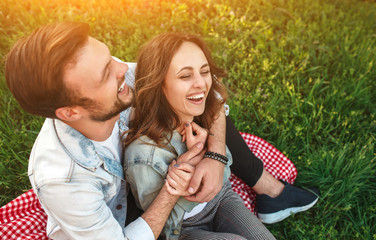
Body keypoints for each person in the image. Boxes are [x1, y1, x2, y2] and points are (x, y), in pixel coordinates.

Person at [4, 21, 318, 239]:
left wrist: (216, 155)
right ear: (71, 112)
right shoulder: (65, 180)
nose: (123, 69)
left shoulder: (121, 80)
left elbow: (209, 93)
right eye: (105, 73)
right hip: (143, 222)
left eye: (109, 56)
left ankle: (267, 190)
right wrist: (171, 190)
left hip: (180, 192)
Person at [123, 33, 275, 239]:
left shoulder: (202, 114)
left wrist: (210, 153)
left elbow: (223, 173)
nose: (201, 84)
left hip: (221, 200)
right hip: (182, 229)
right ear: (158, 84)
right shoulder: (144, 156)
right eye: (185, 76)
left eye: (204, 72)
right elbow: (162, 228)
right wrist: (186, 182)